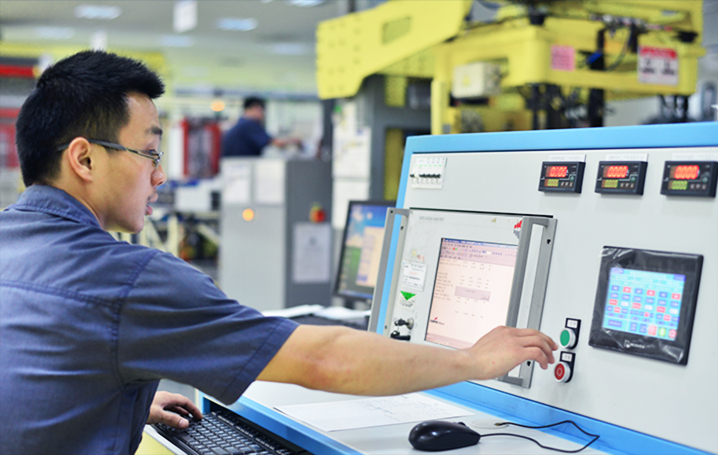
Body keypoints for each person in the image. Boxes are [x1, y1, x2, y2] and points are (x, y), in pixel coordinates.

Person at [0, 50, 557, 455]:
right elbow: (324, 359)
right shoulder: (127, 279)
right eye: (149, 153)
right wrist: (473, 361)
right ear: (84, 159)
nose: (160, 176)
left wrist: (107, 401)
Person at [221, 96, 300, 157]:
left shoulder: (240, 124)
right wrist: (293, 141)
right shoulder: (249, 125)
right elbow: (275, 143)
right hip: (242, 165)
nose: (263, 114)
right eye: (261, 110)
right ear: (255, 108)